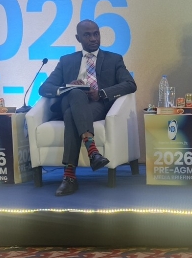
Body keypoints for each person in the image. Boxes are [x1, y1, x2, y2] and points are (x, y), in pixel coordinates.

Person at [38, 20, 137, 197]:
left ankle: (69, 177)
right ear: (78, 38)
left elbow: (130, 84)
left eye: (96, 34)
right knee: (76, 93)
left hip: (97, 105)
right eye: (87, 35)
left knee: (71, 115)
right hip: (70, 100)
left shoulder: (114, 59)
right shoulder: (66, 60)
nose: (93, 38)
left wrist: (101, 93)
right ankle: (93, 152)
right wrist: (68, 87)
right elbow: (44, 88)